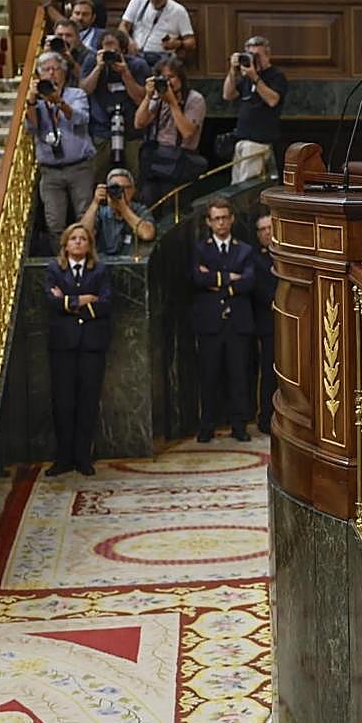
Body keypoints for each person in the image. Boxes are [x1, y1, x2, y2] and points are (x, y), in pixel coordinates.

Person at [44, 223, 111, 477]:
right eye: (74, 238)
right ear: (66, 244)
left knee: (87, 402)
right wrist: (82, 299)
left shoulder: (100, 270)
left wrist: (67, 302)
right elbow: (51, 301)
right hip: (63, 346)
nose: (79, 242)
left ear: (89, 245)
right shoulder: (54, 270)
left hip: (91, 346)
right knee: (63, 402)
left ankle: (84, 457)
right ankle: (63, 458)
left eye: (83, 239)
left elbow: (105, 303)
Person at [191, 197, 256, 443]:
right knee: (209, 376)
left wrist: (217, 281)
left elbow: (249, 282)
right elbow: (198, 279)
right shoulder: (200, 249)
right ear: (209, 222)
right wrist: (231, 278)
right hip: (210, 323)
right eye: (216, 218)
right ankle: (207, 425)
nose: (221, 223)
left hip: (237, 323)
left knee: (238, 375)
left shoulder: (245, 249)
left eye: (225, 217)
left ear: (232, 219)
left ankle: (239, 425)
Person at [26, 50, 96, 250]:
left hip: (79, 167)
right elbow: (32, 127)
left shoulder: (77, 95)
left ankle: (87, 262)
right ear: (39, 75)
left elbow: (81, 119)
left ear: (64, 73)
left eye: (55, 69)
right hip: (50, 171)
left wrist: (59, 102)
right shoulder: (35, 101)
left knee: (86, 218)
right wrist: (31, 101)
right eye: (46, 70)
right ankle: (62, 265)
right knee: (54, 222)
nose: (51, 73)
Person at [135, 55, 208, 205]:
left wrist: (173, 103)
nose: (168, 82)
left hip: (180, 162)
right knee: (148, 201)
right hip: (156, 160)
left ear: (181, 78)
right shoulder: (157, 97)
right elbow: (139, 123)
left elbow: (187, 132)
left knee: (173, 207)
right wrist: (148, 97)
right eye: (163, 78)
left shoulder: (195, 99)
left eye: (172, 77)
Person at [79, 29, 150, 182]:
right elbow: (85, 90)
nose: (110, 54)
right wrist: (98, 68)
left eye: (114, 51)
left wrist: (125, 73)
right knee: (99, 175)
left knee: (134, 175)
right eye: (106, 50)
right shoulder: (92, 61)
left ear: (123, 50)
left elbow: (140, 98)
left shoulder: (137, 65)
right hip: (102, 130)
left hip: (132, 130)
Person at [223, 35, 288, 182]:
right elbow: (228, 94)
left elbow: (273, 100)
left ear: (267, 55)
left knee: (247, 187)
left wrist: (255, 78)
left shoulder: (276, 76)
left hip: (259, 143)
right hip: (241, 140)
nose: (254, 59)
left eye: (257, 55)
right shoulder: (246, 76)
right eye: (250, 55)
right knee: (236, 186)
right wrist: (233, 70)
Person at [119, 0, 196, 66]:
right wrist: (129, 41)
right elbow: (123, 27)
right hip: (136, 54)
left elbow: (191, 42)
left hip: (161, 57)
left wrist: (177, 44)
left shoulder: (178, 11)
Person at [79, 168, 156, 256]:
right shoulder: (100, 211)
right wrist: (95, 203)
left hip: (131, 263)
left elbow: (147, 234)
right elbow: (82, 234)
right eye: (114, 188)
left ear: (133, 190)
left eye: (125, 188)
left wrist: (123, 209)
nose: (120, 192)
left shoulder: (140, 210)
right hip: (103, 262)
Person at [251, 213, 276, 434]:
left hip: (292, 323)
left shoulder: (287, 255)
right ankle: (265, 417)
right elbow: (257, 288)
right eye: (263, 229)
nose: (267, 232)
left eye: (271, 227)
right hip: (268, 324)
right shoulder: (254, 259)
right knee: (268, 372)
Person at [52, 17, 90, 85]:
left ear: (77, 38)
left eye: (68, 35)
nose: (64, 39)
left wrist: (71, 61)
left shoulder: (88, 55)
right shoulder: (48, 51)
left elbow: (87, 80)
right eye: (60, 35)